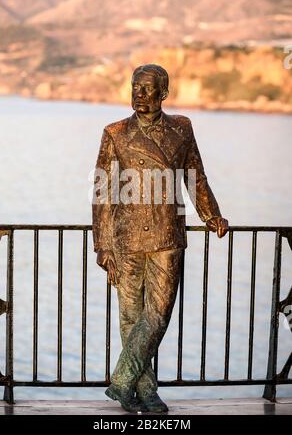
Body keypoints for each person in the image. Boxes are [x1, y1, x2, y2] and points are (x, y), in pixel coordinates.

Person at [92, 64, 228, 413]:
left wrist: (211, 215)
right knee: (130, 317)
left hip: (168, 235)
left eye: (147, 88)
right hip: (127, 239)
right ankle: (146, 392)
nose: (138, 93)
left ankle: (122, 380)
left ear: (163, 93)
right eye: (135, 87)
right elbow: (103, 193)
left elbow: (195, 177)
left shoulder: (181, 129)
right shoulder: (115, 132)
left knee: (158, 315)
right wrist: (103, 245)